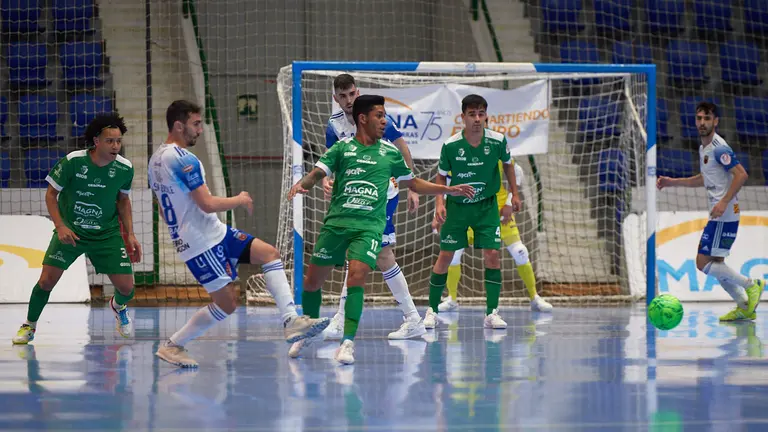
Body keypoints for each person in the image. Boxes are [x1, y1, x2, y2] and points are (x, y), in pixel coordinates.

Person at [286, 94, 475, 365]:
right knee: (312, 282)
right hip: (337, 224)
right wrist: (302, 184)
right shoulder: (342, 149)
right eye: (379, 116)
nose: (384, 121)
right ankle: (310, 332)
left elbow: (414, 183)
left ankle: (347, 342)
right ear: (363, 119)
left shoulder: (390, 153)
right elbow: (317, 172)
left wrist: (448, 189)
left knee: (357, 277)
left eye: (385, 116)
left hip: (368, 228)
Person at [148, 100, 329, 368]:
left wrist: (177, 225)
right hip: (200, 242)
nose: (200, 130)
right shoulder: (183, 159)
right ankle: (173, 345)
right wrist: (240, 199)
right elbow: (207, 203)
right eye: (196, 124)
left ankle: (291, 321)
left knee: (269, 254)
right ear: (178, 125)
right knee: (227, 304)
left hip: (214, 232)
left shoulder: (155, 160)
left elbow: (159, 206)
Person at [12, 113, 140, 344]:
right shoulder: (73, 162)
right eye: (110, 141)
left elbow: (123, 200)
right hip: (71, 232)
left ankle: (118, 306)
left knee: (127, 288)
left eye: (119, 141)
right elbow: (51, 194)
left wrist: (130, 234)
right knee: (46, 282)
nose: (115, 146)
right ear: (96, 141)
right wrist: (60, 226)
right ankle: (29, 326)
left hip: (106, 235)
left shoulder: (125, 168)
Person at [322, 73, 424, 340]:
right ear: (336, 99)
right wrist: (328, 182)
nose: (348, 100)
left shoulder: (377, 119)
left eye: (352, 94)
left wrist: (412, 186)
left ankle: (346, 319)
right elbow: (333, 162)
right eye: (342, 96)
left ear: (358, 93)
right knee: (370, 256)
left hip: (383, 194)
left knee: (376, 254)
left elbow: (402, 149)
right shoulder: (333, 126)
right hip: (355, 196)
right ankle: (412, 318)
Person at [657, 101, 764, 321]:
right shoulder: (704, 148)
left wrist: (724, 201)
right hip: (721, 213)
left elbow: (741, 174)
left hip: (724, 214)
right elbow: (705, 179)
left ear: (715, 121)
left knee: (702, 263)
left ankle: (752, 285)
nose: (702, 122)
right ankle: (744, 306)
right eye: (699, 118)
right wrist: (671, 182)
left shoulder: (719, 147)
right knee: (717, 263)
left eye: (707, 118)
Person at [424, 94, 519, 330]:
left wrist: (514, 194)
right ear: (463, 117)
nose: (477, 119)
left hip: (486, 207)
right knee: (445, 256)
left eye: (481, 114)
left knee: (493, 255)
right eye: (472, 114)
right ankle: (431, 311)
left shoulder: (497, 141)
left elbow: (508, 165)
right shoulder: (451, 145)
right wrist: (439, 203)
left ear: (486, 116)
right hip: (457, 207)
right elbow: (442, 175)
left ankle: (492, 312)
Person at [436, 160, 552, 313]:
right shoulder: (458, 153)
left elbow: (517, 171)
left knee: (520, 252)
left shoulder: (495, 149)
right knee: (454, 254)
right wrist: (439, 210)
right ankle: (451, 299)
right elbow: (447, 183)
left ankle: (534, 297)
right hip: (469, 212)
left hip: (499, 212)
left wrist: (510, 202)